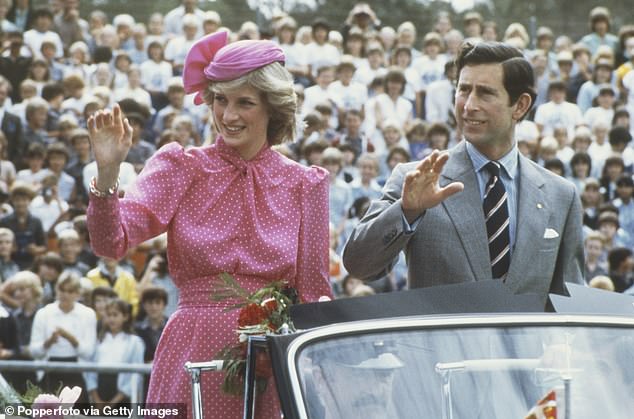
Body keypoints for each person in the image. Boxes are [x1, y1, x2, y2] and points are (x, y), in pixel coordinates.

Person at [85, 31, 332, 417]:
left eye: (245, 103)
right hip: (191, 352)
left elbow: (315, 295)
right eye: (219, 99)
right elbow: (109, 243)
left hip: (269, 361)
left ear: (273, 108)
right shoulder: (183, 166)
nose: (228, 116)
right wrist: (108, 172)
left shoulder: (306, 184)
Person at [343, 41, 585, 307]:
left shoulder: (561, 195)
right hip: (442, 349)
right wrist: (407, 211)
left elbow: (569, 303)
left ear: (520, 106)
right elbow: (359, 266)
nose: (469, 105)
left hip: (527, 350)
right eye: (463, 90)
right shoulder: (416, 180)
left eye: (485, 93)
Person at [84, 298, 144, 410]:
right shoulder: (98, 340)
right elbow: (89, 370)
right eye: (109, 315)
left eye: (115, 315)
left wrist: (114, 401)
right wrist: (96, 399)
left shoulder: (134, 342)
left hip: (122, 393)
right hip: (101, 387)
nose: (111, 319)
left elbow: (136, 375)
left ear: (125, 317)